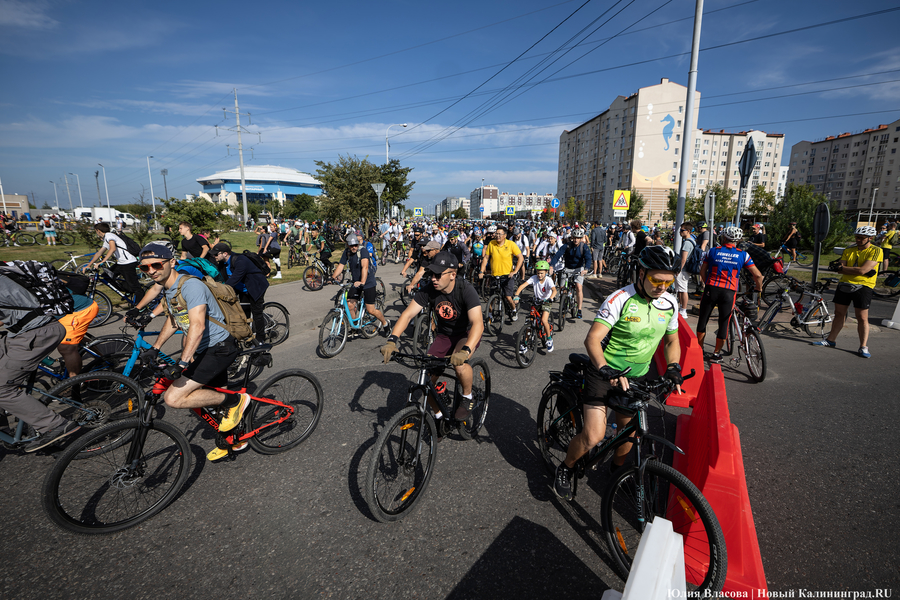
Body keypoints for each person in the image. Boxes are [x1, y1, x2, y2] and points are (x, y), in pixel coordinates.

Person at [554, 246, 683, 500]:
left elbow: (671, 341)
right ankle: (565, 468)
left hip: (635, 376)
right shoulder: (620, 299)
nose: (662, 287)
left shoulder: (669, 303)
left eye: (669, 281)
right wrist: (604, 368)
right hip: (603, 371)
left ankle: (617, 471)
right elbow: (592, 340)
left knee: (628, 432)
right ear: (642, 273)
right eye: (657, 280)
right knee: (594, 435)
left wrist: (673, 367)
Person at [136, 244, 247, 462]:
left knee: (174, 398)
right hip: (206, 348)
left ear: (171, 262)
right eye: (145, 268)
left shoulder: (190, 286)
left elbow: (197, 326)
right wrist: (155, 347)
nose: (151, 271)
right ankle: (234, 440)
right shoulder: (170, 288)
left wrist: (182, 363)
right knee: (216, 402)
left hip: (220, 347)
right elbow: (175, 320)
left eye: (156, 265)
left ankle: (236, 401)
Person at [381, 252, 484, 423]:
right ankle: (439, 416)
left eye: (438, 274)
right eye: (431, 274)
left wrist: (466, 351)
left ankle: (467, 396)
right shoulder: (429, 289)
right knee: (425, 379)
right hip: (444, 335)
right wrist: (392, 340)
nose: (433, 278)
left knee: (460, 366)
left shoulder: (465, 289)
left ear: (452, 275)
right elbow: (407, 315)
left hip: (466, 334)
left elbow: (478, 324)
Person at [0, 273, 82, 452]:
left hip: (36, 332)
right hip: (24, 330)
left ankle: (55, 425)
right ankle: (3, 427)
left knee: (2, 388)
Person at [695, 226, 763, 362]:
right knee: (723, 322)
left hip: (711, 288)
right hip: (729, 291)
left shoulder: (713, 251)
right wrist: (758, 289)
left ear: (724, 238)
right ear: (738, 240)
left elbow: (702, 271)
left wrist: (706, 282)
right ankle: (716, 354)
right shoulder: (743, 255)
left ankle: (699, 349)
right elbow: (758, 275)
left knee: (703, 319)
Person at [812, 226, 882, 358]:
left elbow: (861, 270)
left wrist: (854, 269)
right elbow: (840, 269)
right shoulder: (849, 249)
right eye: (857, 237)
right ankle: (830, 340)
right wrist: (859, 270)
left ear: (870, 238)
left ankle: (863, 346)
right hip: (844, 284)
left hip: (864, 286)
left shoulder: (876, 251)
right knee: (839, 314)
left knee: (861, 317)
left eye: (861, 238)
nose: (858, 240)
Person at [211, 242, 269, 344]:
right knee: (243, 312)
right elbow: (220, 280)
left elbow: (234, 279)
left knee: (257, 313)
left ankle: (260, 339)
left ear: (225, 253)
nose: (214, 256)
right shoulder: (222, 264)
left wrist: (221, 291)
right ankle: (246, 334)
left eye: (216, 254)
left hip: (256, 287)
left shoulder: (241, 261)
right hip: (243, 288)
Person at [331, 233, 389, 332]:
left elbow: (365, 267)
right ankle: (354, 326)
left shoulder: (363, 251)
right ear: (347, 245)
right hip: (356, 282)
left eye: (355, 245)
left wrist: (362, 281)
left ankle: (385, 323)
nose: (354, 247)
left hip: (368, 282)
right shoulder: (347, 252)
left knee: (371, 310)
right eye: (351, 245)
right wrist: (332, 277)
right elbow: (341, 266)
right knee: (349, 305)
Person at [80, 222, 142, 299]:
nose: (96, 233)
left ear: (98, 230)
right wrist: (89, 265)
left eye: (96, 231)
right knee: (106, 276)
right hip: (121, 263)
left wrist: (102, 262)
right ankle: (128, 290)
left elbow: (113, 248)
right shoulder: (107, 239)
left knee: (135, 286)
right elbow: (99, 253)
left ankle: (141, 307)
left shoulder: (109, 235)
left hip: (128, 262)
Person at [480, 225, 524, 322]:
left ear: (505, 235)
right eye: (496, 233)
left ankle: (513, 310)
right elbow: (486, 258)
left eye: (500, 234)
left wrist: (515, 271)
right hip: (494, 275)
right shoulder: (491, 243)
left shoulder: (511, 244)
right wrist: (481, 271)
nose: (497, 236)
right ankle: (490, 315)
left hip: (507, 276)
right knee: (492, 297)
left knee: (508, 297)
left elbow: (520, 257)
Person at [513, 260, 557, 352]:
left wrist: (550, 298)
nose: (539, 275)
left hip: (546, 302)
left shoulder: (548, 280)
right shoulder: (534, 278)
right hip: (536, 301)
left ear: (546, 272)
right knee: (529, 323)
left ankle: (549, 339)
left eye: (541, 273)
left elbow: (554, 290)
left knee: (544, 320)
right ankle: (525, 344)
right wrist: (516, 295)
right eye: (538, 273)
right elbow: (522, 286)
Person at [551, 228, 592, 319]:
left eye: (578, 238)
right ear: (572, 237)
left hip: (579, 269)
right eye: (574, 238)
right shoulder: (567, 246)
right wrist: (551, 266)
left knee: (578, 287)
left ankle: (579, 309)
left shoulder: (584, 247)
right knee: (562, 287)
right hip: (567, 268)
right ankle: (563, 302)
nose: (576, 240)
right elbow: (558, 255)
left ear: (581, 238)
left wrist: (586, 269)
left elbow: (588, 259)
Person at [674, 223, 696, 319]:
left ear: (688, 231)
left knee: (683, 290)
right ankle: (681, 308)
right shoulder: (692, 241)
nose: (680, 232)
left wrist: (678, 269)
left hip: (683, 270)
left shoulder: (687, 243)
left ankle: (683, 310)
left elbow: (683, 259)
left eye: (682, 230)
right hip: (686, 269)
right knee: (681, 289)